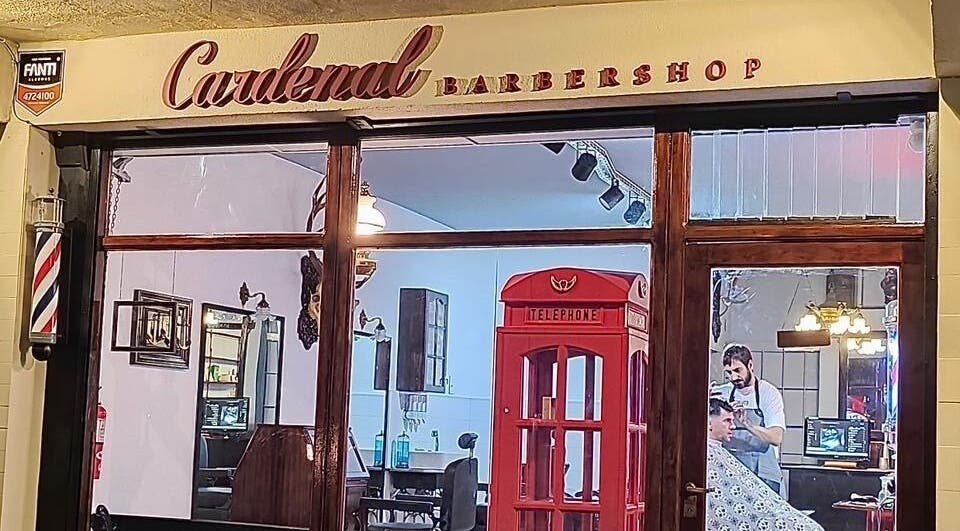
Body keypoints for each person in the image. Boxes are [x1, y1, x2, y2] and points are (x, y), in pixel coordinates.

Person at [707, 398, 824, 531]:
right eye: (727, 421)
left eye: (733, 421)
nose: (733, 426)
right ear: (709, 422)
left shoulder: (768, 393)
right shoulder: (708, 454)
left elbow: (776, 438)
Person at [714, 343, 785, 494]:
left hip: (762, 470)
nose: (733, 377)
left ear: (750, 365)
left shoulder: (768, 393)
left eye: (738, 370)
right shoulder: (722, 392)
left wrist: (748, 424)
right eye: (729, 372)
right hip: (732, 467)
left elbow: (776, 437)